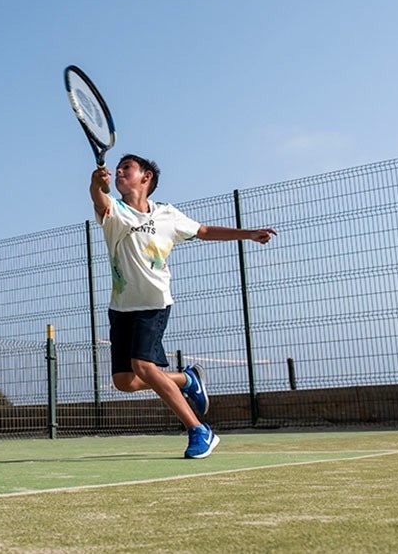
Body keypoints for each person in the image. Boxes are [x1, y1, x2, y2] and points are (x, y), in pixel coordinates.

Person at [89, 154, 276, 458]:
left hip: (154, 303)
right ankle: (187, 379)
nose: (120, 171)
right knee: (125, 382)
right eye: (118, 168)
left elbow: (204, 232)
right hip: (121, 308)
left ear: (146, 177)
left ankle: (199, 430)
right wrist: (95, 184)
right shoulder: (116, 212)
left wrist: (248, 234)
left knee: (143, 366)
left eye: (127, 168)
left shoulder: (167, 214)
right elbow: (99, 199)